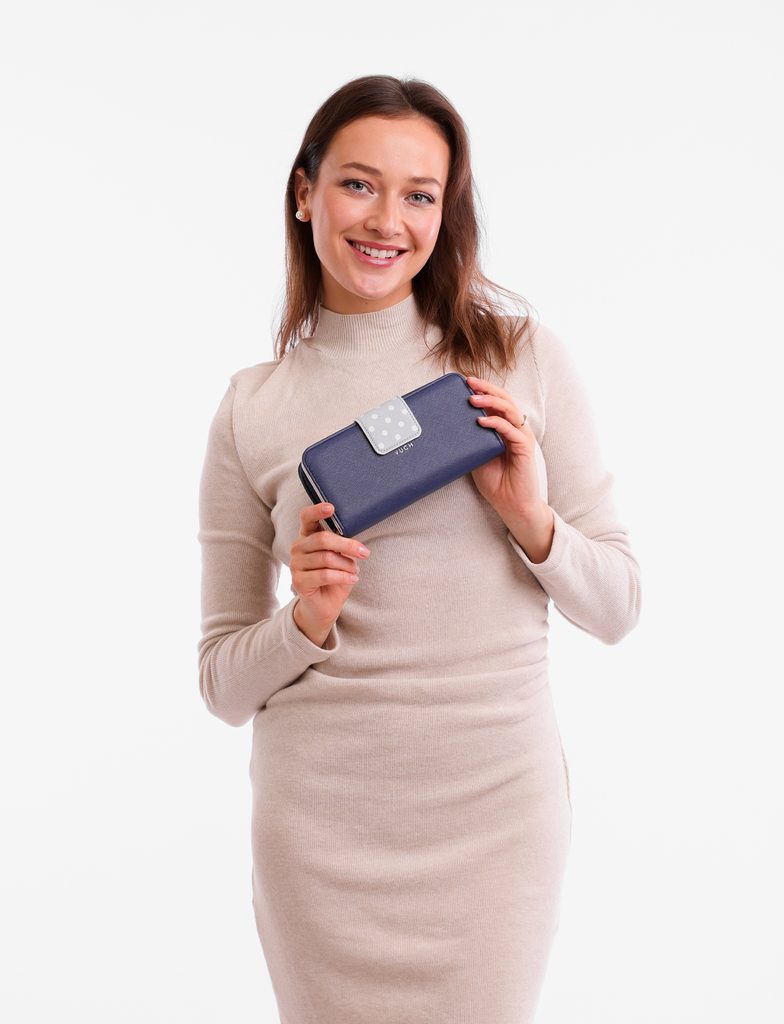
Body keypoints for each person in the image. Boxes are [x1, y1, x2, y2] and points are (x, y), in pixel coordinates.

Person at [197, 74, 641, 1024]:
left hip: (496, 818)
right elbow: (222, 686)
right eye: (359, 184)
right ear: (305, 192)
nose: (386, 221)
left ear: (447, 211)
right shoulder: (250, 410)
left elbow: (618, 606)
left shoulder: (520, 357)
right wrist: (305, 620)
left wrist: (533, 521)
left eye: (420, 195)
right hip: (320, 832)